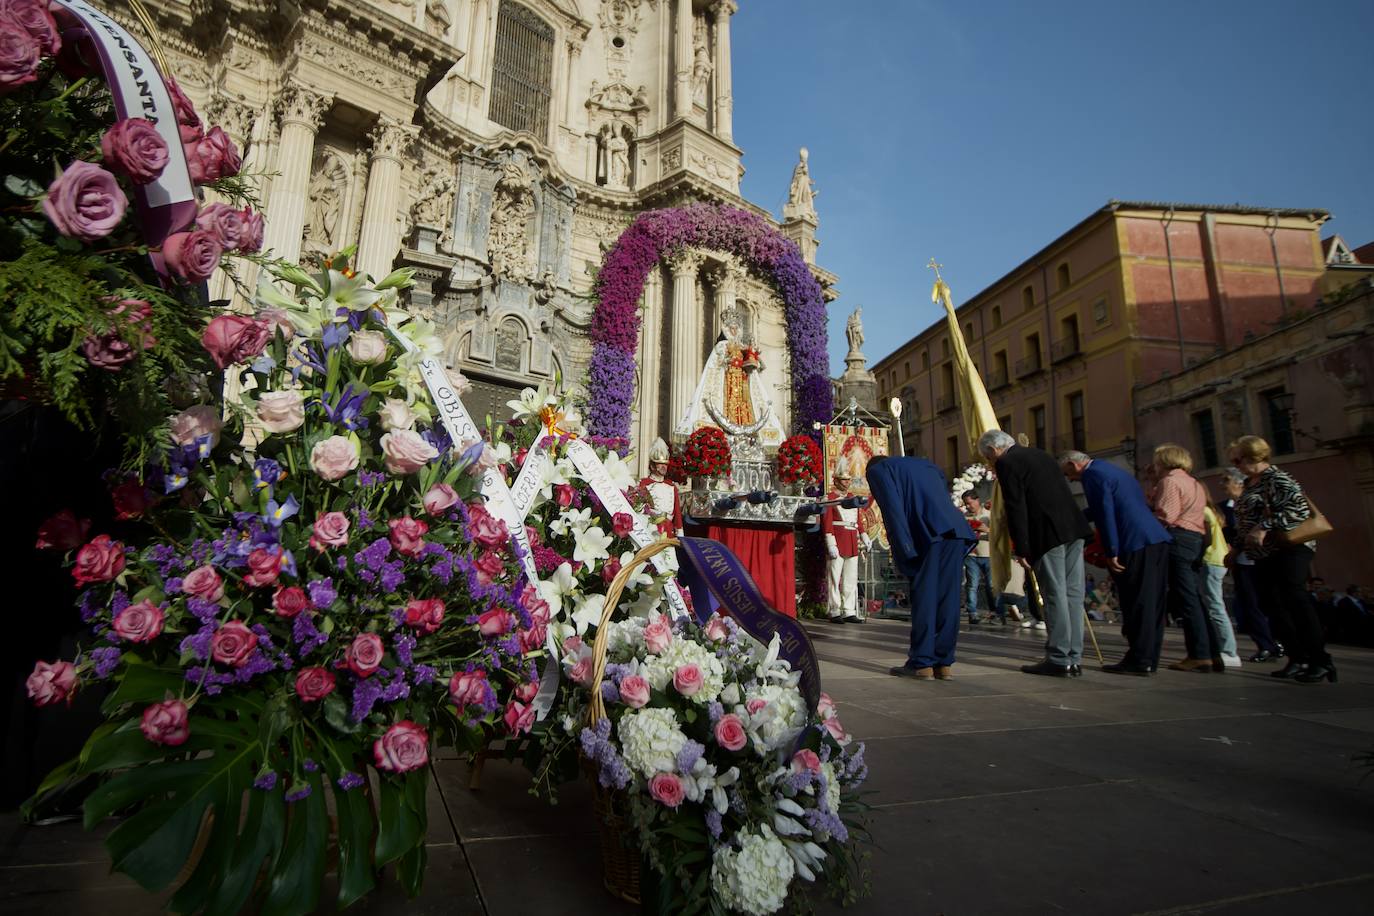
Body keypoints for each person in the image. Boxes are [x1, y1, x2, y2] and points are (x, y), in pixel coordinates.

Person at [978, 430, 1091, 678]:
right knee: (1073, 594)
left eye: (989, 459)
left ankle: (1059, 657)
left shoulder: (1007, 462)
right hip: (1073, 528)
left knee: (1055, 595)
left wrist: (1022, 547)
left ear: (994, 451)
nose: (991, 464)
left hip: (1047, 534)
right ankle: (1074, 657)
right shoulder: (1041, 455)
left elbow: (1016, 505)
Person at [1229, 435, 1335, 683]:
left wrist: (1265, 526)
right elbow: (1246, 523)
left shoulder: (1277, 478)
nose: (1235, 464)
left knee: (1295, 599)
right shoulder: (1250, 483)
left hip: (1291, 547)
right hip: (1264, 552)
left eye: (1238, 459)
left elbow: (1296, 509)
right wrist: (1235, 549)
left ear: (1253, 456)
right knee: (1270, 604)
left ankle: (1320, 660)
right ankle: (1296, 657)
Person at [1060, 450, 1171, 676]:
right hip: (1154, 539)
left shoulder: (1092, 476)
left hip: (1134, 541)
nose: (1070, 479)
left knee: (1137, 601)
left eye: (1067, 474)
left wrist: (1111, 550)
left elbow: (1104, 512)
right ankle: (1148, 657)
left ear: (1073, 464)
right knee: (1152, 602)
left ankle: (1139, 659)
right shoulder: (1110, 470)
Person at [865, 455, 974, 680]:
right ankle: (944, 663)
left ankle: (922, 663)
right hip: (955, 531)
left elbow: (892, 511)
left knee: (925, 598)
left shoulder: (879, 470)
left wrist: (904, 552)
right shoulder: (927, 465)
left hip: (927, 534)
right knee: (949, 598)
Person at [1149, 444, 1216, 672]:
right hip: (1195, 538)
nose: (1155, 466)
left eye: (1157, 461)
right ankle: (1211, 652)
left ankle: (1199, 653)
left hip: (1178, 537)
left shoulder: (1170, 481)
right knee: (1195, 597)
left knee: (1185, 598)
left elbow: (1166, 515)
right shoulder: (1193, 482)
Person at [1220, 470, 1283, 662]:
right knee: (1250, 604)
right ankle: (1265, 644)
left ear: (1239, 483)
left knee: (1269, 602)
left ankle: (1278, 641)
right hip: (1242, 561)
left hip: (1261, 557)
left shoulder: (1256, 501)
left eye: (1227, 481)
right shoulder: (1224, 508)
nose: (1223, 485)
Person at [822, 457, 869, 624]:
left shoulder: (853, 498)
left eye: (849, 480)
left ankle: (849, 610)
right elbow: (827, 523)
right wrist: (831, 544)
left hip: (851, 540)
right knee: (834, 577)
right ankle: (834, 610)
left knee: (850, 578)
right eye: (844, 480)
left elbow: (858, 520)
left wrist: (864, 535)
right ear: (836, 480)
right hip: (838, 539)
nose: (847, 483)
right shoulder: (830, 497)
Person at [1200, 502, 1243, 669]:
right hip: (1218, 560)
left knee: (1215, 606)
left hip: (1211, 560)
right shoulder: (1212, 512)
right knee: (1214, 606)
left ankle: (1229, 651)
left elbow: (1207, 538)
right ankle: (1223, 648)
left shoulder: (1203, 511)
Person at [961, 491, 998, 625]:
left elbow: (998, 535)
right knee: (972, 585)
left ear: (977, 500)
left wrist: (986, 530)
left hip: (987, 554)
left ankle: (994, 612)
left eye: (970, 503)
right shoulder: (964, 517)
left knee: (991, 585)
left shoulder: (988, 515)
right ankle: (972, 613)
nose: (968, 507)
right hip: (971, 555)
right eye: (966, 504)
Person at [639, 438, 683, 538]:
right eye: (660, 464)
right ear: (652, 466)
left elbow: (677, 515)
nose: (664, 467)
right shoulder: (643, 484)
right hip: (652, 530)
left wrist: (680, 534)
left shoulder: (672, 486)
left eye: (665, 464)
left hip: (669, 532)